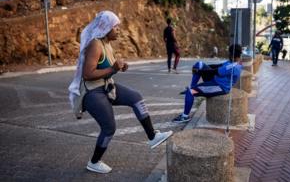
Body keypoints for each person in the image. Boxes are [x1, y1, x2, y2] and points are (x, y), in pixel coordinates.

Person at [68, 11, 173, 174]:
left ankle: (152, 136)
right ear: (106, 28)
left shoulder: (107, 44)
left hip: (106, 87)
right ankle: (94, 162)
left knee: (136, 97)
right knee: (109, 127)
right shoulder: (95, 44)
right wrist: (113, 68)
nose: (118, 30)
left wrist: (120, 67)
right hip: (93, 92)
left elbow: (108, 69)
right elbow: (87, 74)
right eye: (115, 27)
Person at [172, 44, 243, 123]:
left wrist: (199, 72)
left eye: (229, 52)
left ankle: (185, 117)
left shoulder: (233, 66)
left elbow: (215, 71)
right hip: (215, 80)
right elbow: (218, 65)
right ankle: (193, 87)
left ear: (231, 53)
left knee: (190, 92)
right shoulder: (232, 62)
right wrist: (202, 67)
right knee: (199, 64)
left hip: (219, 87)